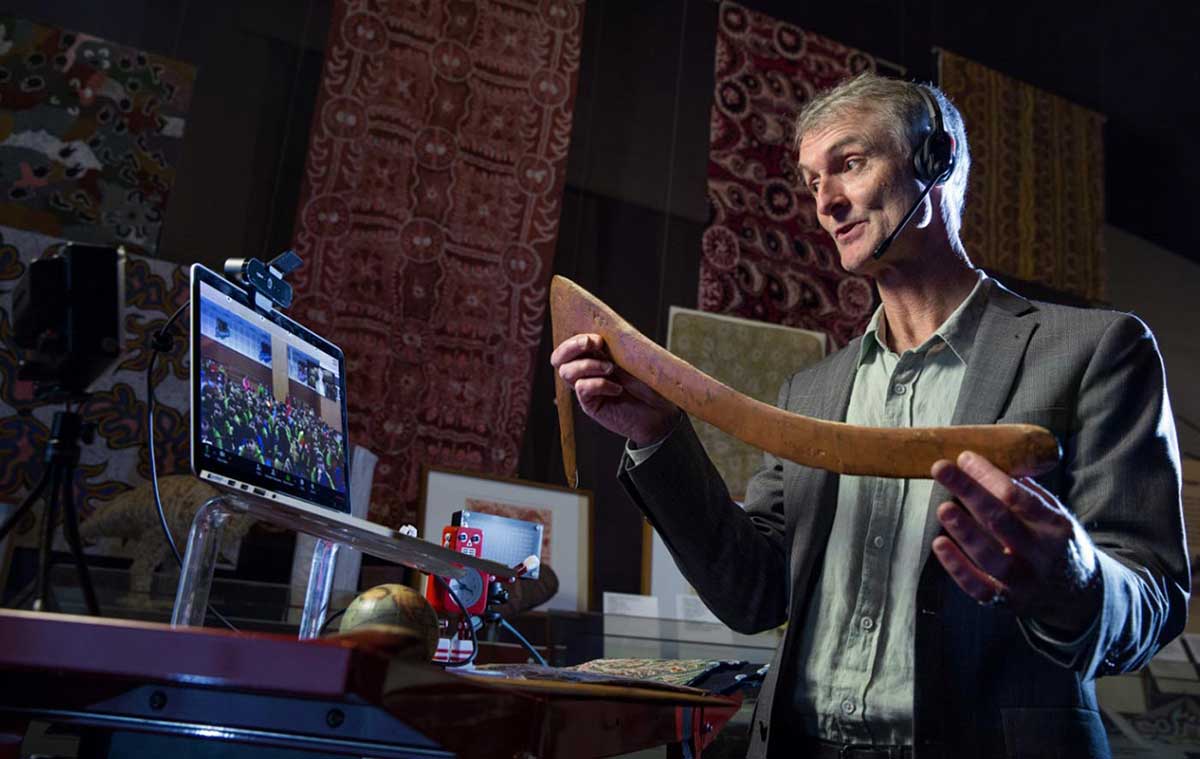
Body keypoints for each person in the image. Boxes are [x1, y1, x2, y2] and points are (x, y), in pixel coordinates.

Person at [550, 73, 1188, 759]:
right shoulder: (810, 393)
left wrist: (1074, 576)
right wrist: (657, 434)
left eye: (849, 163)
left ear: (935, 158)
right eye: (810, 180)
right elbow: (754, 593)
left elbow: (1151, 598)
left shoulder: (1097, 351)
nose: (825, 202)